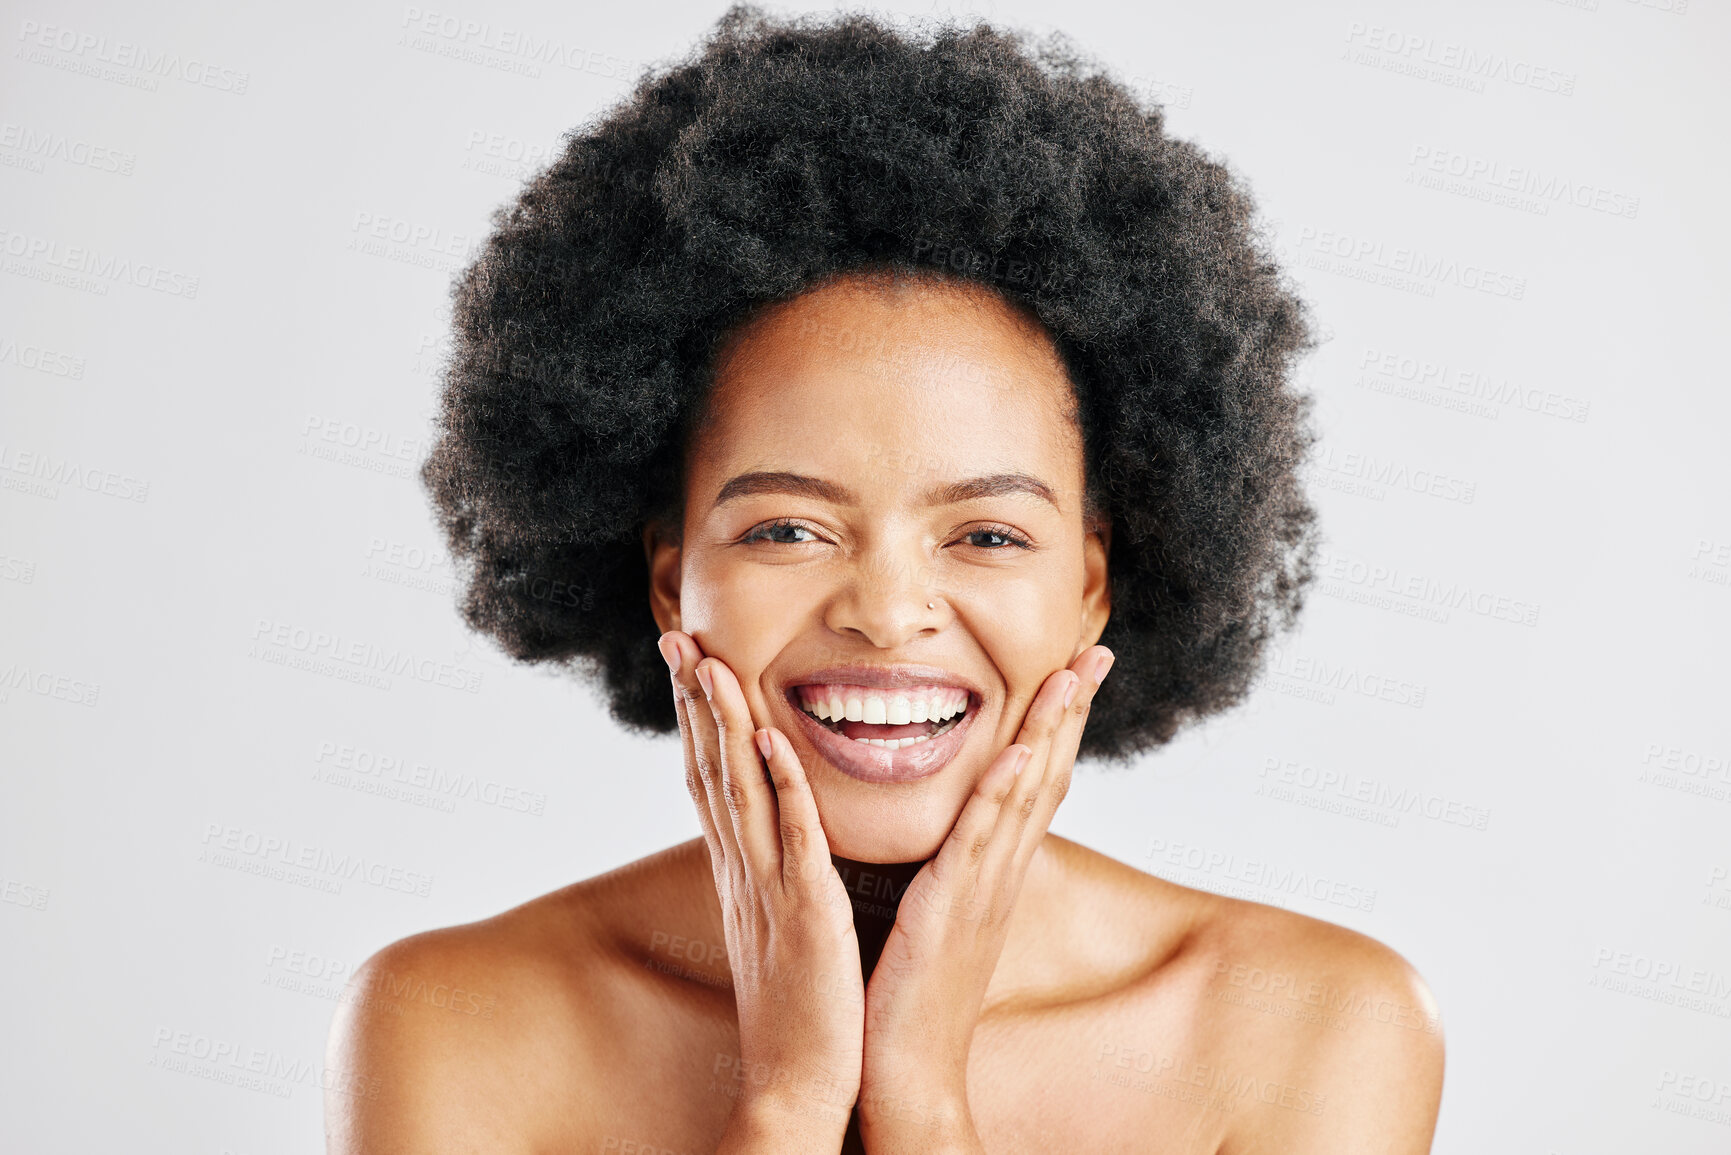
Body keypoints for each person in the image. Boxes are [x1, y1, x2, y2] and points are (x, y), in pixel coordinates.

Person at [326, 8, 1444, 1152]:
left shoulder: (1314, 1027)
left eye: (989, 536)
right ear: (672, 583)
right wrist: (789, 1102)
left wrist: (918, 1096)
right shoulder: (454, 1020)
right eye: (787, 530)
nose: (886, 611)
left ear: (1095, 587)